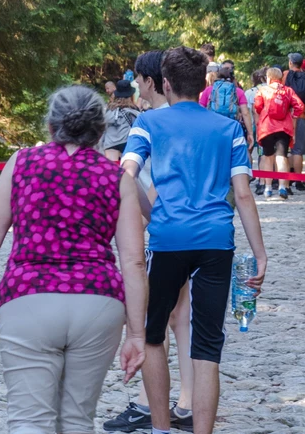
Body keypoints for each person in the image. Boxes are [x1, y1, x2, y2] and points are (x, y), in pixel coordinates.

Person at [0, 85, 147, 434]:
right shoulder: (116, 178)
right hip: (98, 300)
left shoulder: (22, 163)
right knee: (77, 420)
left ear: (51, 126)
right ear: (100, 129)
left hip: (29, 296)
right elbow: (133, 261)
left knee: (29, 420)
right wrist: (135, 332)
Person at [122, 46, 268, 434]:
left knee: (153, 337)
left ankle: (159, 429)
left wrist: (150, 216)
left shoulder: (148, 124)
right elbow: (242, 194)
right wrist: (260, 254)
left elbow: (127, 174)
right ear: (203, 82)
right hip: (216, 242)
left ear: (165, 83)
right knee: (207, 346)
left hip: (168, 240)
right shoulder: (229, 129)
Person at [104, 50, 194, 433]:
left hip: (163, 228)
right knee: (181, 318)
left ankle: (148, 403)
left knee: (151, 321)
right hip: (193, 229)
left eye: (139, 79)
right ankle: (188, 401)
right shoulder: (184, 120)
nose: (136, 85)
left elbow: (156, 180)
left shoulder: (155, 122)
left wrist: (137, 217)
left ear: (153, 82)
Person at [252, 67, 305, 200]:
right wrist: (293, 115)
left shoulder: (263, 90)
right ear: (281, 78)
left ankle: (268, 188)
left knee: (268, 157)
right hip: (284, 128)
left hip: (267, 128)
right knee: (281, 158)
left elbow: (257, 106)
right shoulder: (287, 91)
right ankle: (282, 187)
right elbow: (300, 106)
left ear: (268, 78)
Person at [198, 65, 255, 150]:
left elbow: (200, 110)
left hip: (212, 126)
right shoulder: (238, 91)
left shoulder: (209, 90)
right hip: (232, 127)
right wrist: (250, 133)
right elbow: (245, 113)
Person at [284, 53, 305, 192]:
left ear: (291, 63)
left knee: (286, 150)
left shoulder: (285, 75)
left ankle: (287, 180)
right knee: (298, 150)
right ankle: (298, 181)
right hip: (301, 116)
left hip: (286, 118)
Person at [101, 79, 141, 162]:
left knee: (112, 172)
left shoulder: (108, 110)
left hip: (110, 146)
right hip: (127, 146)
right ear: (131, 95)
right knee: (125, 173)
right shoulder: (134, 112)